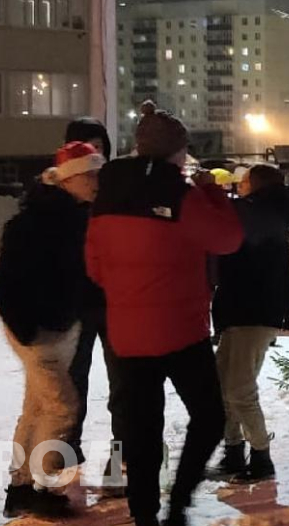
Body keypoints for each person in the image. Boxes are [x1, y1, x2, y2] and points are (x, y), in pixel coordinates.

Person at [85, 101, 244, 526]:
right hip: (180, 333)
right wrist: (212, 191)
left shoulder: (107, 199)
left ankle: (145, 517)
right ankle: (178, 506)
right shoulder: (181, 196)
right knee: (209, 418)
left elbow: (95, 268)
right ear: (178, 152)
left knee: (141, 432)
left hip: (128, 335)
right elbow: (228, 238)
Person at [0, 142, 106, 518]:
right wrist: (27, 327)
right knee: (62, 408)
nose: (96, 181)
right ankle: (42, 486)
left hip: (57, 326)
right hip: (39, 329)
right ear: (69, 178)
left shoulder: (75, 215)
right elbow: (4, 283)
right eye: (89, 174)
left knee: (38, 406)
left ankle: (22, 487)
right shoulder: (38, 221)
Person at [211, 165, 289, 483]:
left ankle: (261, 458)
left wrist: (209, 194)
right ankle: (233, 453)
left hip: (254, 311)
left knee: (239, 389)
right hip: (239, 310)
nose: (239, 185)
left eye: (244, 181)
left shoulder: (261, 213)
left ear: (257, 184)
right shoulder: (265, 211)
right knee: (224, 386)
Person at [59, 117, 126, 474]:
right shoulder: (58, 201)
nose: (95, 154)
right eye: (87, 145)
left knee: (122, 384)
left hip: (114, 302)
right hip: (76, 305)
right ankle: (69, 446)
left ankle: (122, 453)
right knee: (73, 382)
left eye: (99, 146)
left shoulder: (116, 191)